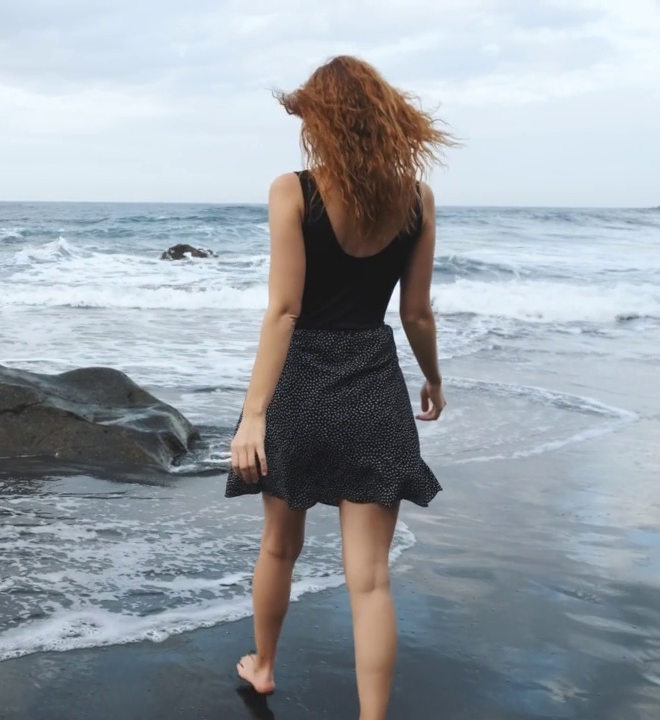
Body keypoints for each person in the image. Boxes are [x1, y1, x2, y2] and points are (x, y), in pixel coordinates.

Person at [226, 55, 455, 720]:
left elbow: (285, 312)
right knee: (372, 579)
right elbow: (415, 312)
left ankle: (263, 666)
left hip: (300, 388)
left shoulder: (292, 191)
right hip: (375, 389)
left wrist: (253, 416)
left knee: (279, 545)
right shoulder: (416, 198)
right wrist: (433, 378)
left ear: (322, 122)